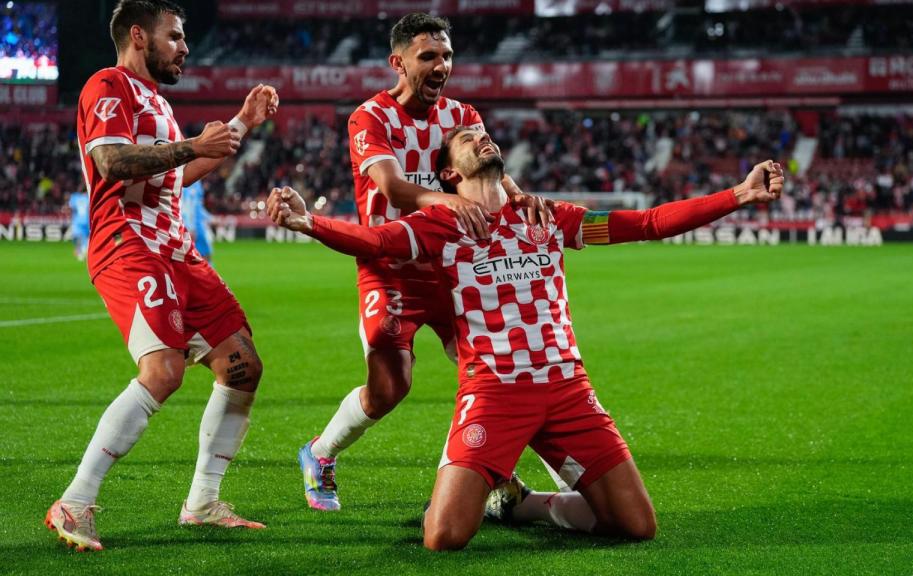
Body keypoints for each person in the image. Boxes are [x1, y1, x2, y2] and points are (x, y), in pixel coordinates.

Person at [269, 125, 785, 550]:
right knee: (443, 537)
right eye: (467, 139)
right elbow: (373, 239)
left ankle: (522, 505)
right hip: (494, 392)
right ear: (449, 173)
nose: (482, 137)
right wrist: (306, 221)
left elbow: (647, 223)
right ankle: (466, 479)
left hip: (567, 390)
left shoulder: (549, 217)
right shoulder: (436, 226)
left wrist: (739, 194)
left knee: (636, 526)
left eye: (484, 134)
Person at [45, 0, 279, 552]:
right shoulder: (108, 85)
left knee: (242, 366)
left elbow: (178, 175)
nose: (185, 47)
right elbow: (111, 162)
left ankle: (202, 502)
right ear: (138, 36)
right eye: (174, 36)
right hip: (129, 244)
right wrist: (193, 143)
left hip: (177, 249)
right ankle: (75, 500)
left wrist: (241, 124)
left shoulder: (159, 104)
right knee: (164, 370)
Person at [297, 12, 548, 511]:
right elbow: (391, 187)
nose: (441, 66)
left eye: (447, 55)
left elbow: (490, 174)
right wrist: (449, 201)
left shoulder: (462, 115)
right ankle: (320, 452)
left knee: (501, 369)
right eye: (428, 56)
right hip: (389, 266)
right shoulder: (370, 117)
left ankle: (495, 469)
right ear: (398, 63)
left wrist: (520, 198)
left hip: (453, 267)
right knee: (390, 388)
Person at [180, 180, 213, 262]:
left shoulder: (197, 184)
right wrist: (189, 227)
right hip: (190, 226)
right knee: (191, 258)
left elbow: (198, 206)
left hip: (198, 224)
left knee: (205, 255)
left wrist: (210, 218)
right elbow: (185, 206)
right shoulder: (184, 181)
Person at [68, 191, 90, 260]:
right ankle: (83, 251)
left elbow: (70, 208)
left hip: (77, 220)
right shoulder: (88, 197)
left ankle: (80, 251)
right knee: (86, 237)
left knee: (77, 237)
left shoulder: (75, 197)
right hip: (87, 220)